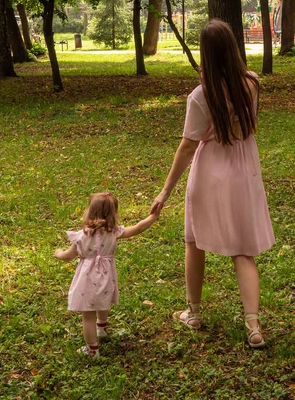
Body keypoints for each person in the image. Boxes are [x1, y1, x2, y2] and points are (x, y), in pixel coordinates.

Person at [151, 19, 275, 349]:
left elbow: (188, 146)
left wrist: (165, 191)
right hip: (244, 170)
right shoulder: (252, 82)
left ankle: (193, 312)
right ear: (233, 48)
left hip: (210, 170)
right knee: (243, 251)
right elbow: (250, 126)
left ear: (205, 54)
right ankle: (253, 325)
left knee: (195, 241)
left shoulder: (200, 96)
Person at [54, 192, 159, 358]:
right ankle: (102, 329)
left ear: (90, 211)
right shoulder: (114, 232)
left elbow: (68, 256)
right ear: (113, 213)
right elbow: (138, 228)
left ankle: (92, 350)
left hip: (86, 279)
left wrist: (58, 253)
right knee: (102, 301)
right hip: (106, 275)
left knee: (87, 315)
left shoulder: (82, 236)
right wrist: (153, 217)